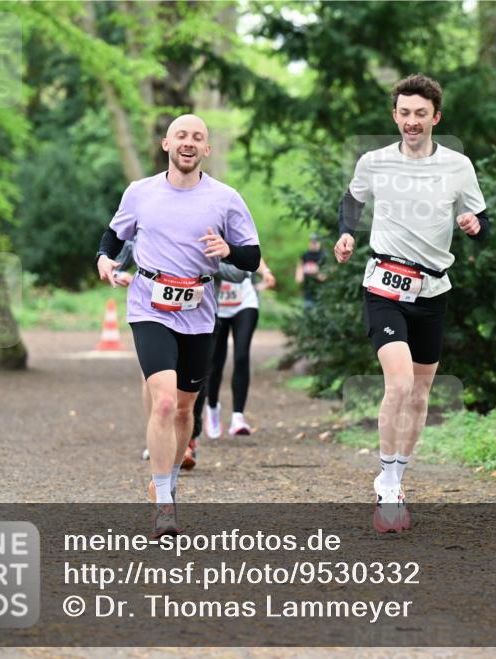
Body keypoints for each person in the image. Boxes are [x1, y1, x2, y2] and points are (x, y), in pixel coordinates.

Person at [334, 74, 490, 532]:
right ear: (395, 115)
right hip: (383, 285)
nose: (412, 121)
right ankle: (386, 484)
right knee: (400, 384)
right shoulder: (375, 162)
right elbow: (351, 201)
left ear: (435, 117)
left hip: (433, 290)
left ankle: (396, 477)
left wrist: (474, 225)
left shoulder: (458, 166)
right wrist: (345, 233)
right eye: (404, 113)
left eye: (421, 113)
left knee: (420, 394)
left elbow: (482, 219)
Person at [96, 114, 261, 537]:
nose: (189, 142)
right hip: (149, 305)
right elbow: (114, 236)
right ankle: (163, 501)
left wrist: (228, 250)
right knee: (165, 402)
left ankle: (168, 476)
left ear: (206, 148)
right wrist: (104, 260)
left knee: (185, 409)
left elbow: (251, 256)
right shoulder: (140, 192)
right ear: (166, 144)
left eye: (197, 137)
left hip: (198, 311)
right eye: (181, 135)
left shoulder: (225, 198)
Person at [192, 259, 275, 440]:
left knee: (241, 356)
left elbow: (253, 253)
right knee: (215, 363)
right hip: (218, 305)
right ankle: (213, 409)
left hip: (245, 303)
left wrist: (265, 271)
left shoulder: (240, 238)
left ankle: (238, 417)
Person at [295, 233, 326, 308]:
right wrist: (300, 273)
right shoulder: (305, 255)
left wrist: (316, 271)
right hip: (308, 292)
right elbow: (299, 276)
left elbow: (325, 276)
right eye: (312, 242)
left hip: (321, 292)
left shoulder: (324, 255)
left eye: (315, 242)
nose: (313, 244)